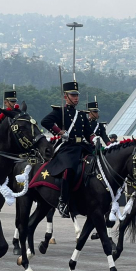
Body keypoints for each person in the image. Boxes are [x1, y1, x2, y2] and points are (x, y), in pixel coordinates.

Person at [41, 80, 91, 218]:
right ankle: (63, 201)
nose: (76, 98)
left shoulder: (81, 115)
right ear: (66, 97)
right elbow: (45, 121)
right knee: (69, 169)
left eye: (77, 95)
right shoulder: (60, 112)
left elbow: (89, 132)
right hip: (67, 147)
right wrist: (60, 131)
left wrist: (95, 139)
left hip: (82, 146)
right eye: (73, 95)